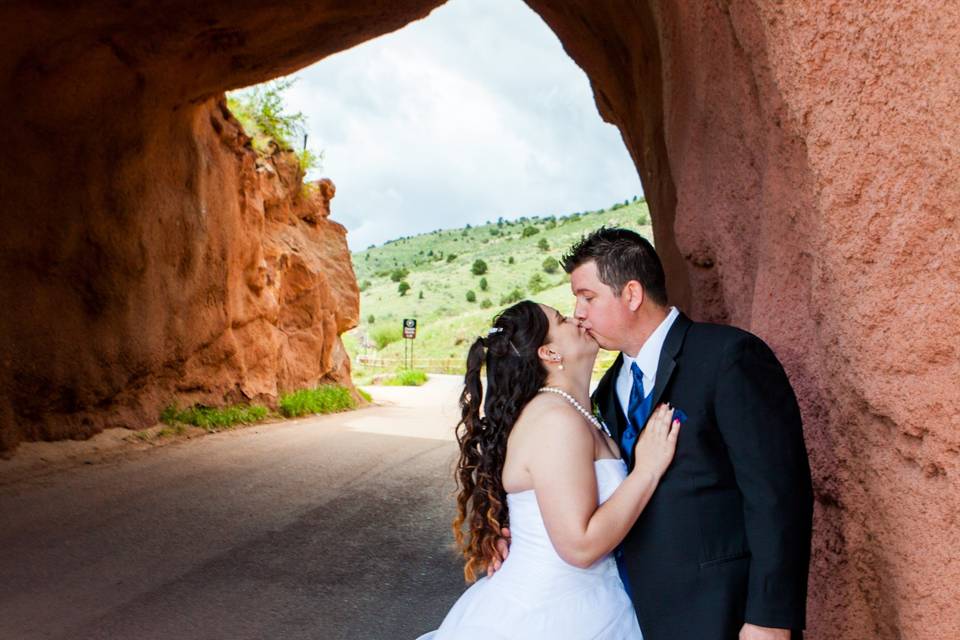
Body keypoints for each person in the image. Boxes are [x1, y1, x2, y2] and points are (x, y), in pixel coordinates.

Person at [533, 226, 810, 640]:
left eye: (587, 297)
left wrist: (770, 618)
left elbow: (777, 495)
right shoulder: (606, 392)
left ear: (631, 294)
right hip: (637, 613)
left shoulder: (729, 357)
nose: (578, 313)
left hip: (725, 613)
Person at [416, 300, 681, 639]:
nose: (576, 317)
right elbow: (580, 546)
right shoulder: (555, 420)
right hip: (553, 615)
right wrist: (647, 471)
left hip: (589, 601)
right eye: (562, 319)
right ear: (550, 353)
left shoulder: (577, 410)